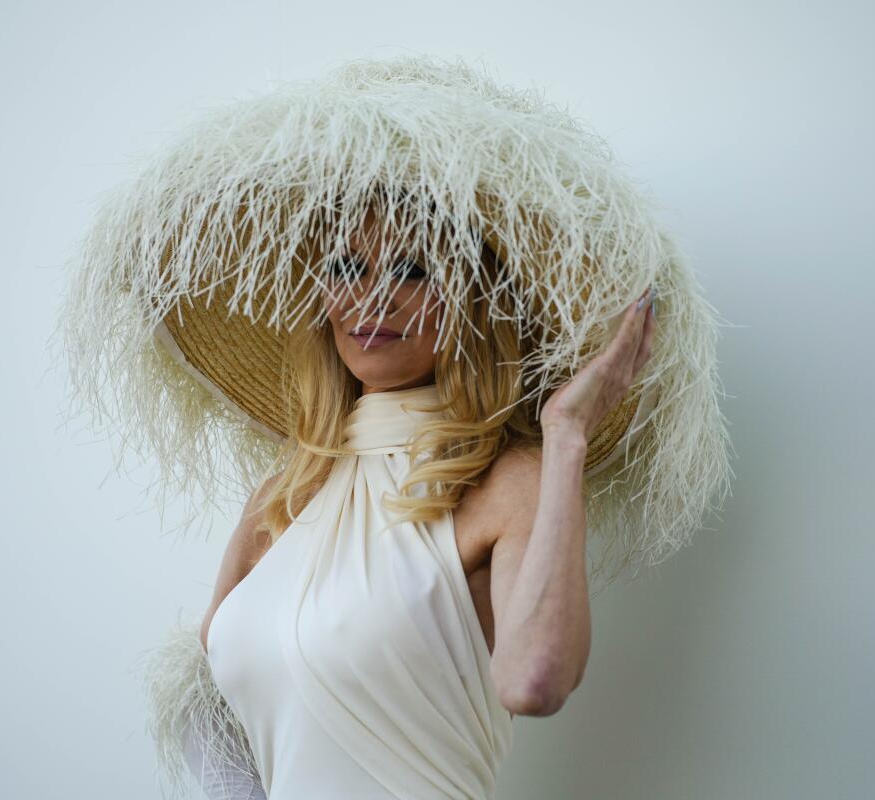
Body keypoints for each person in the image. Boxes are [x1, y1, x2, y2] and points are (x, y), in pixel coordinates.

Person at [182, 201, 656, 798]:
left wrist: (566, 435)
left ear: (473, 302)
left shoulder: (510, 482)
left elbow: (535, 681)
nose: (371, 299)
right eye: (346, 266)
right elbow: (213, 700)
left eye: (412, 270)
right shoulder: (283, 493)